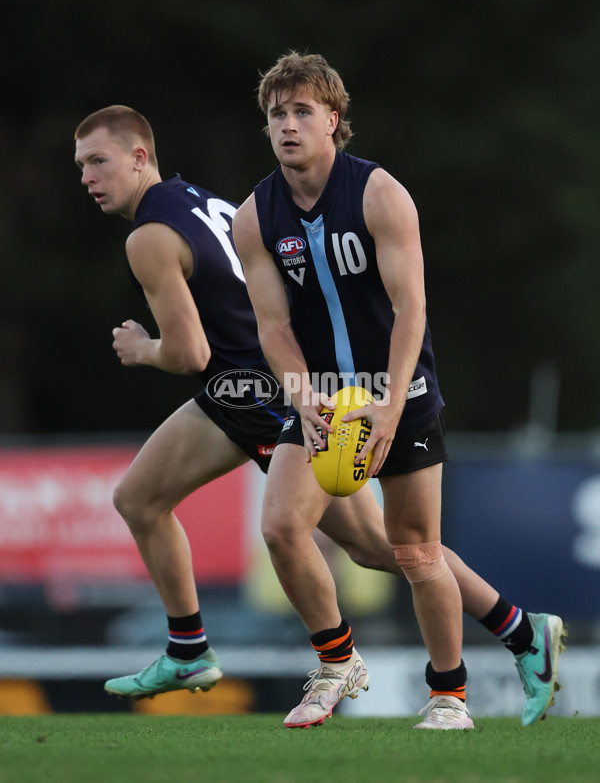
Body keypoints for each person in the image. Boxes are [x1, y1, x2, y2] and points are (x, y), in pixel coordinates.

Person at [74, 105, 565, 727]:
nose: (89, 177)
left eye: (99, 161)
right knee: (146, 500)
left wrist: (141, 349)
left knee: (386, 548)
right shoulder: (194, 198)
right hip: (258, 386)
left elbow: (189, 351)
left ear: (140, 157)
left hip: (257, 391)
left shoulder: (146, 236)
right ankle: (190, 648)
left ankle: (456, 648)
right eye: (81, 166)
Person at [232, 51, 567, 729]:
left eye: (302, 112)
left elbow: (411, 307)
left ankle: (451, 695)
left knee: (413, 549)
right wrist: (301, 393)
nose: (288, 125)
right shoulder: (254, 216)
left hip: (401, 388)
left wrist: (388, 402)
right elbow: (272, 324)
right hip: (321, 392)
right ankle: (337, 661)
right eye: (277, 114)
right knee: (281, 526)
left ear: (333, 120)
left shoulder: (379, 193)